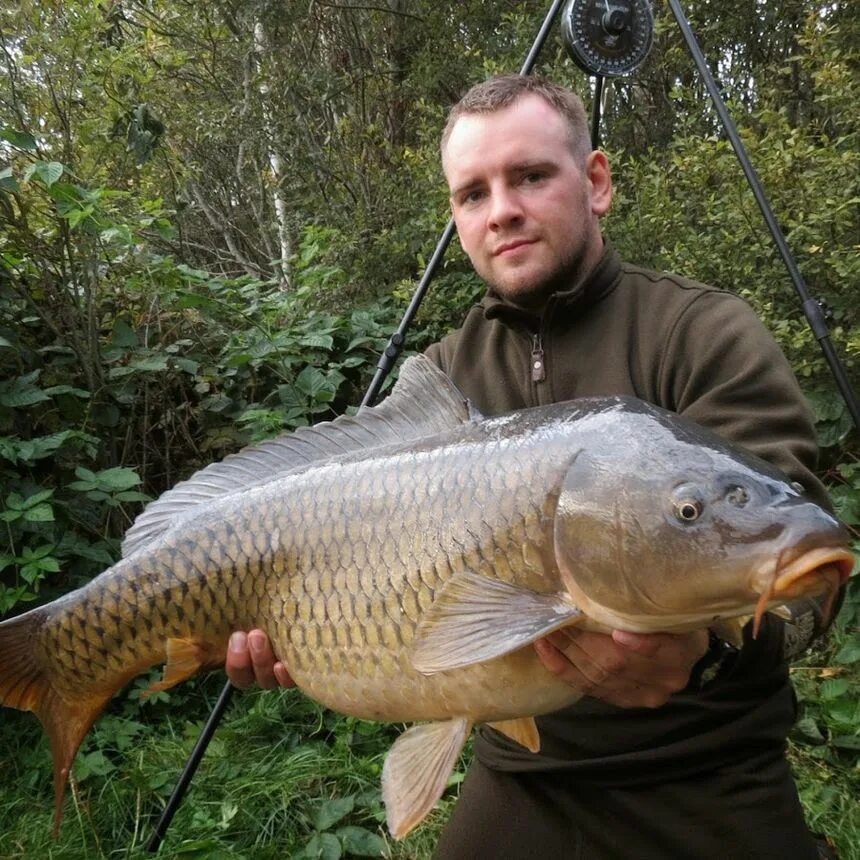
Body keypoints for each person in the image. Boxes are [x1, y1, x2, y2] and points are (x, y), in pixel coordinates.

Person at [226, 75, 834, 858]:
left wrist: (705, 654)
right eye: (472, 194)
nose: (501, 209)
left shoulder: (700, 332)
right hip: (523, 768)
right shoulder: (446, 379)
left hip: (705, 763)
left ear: (597, 182)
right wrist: (292, 632)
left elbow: (813, 579)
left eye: (531, 176)